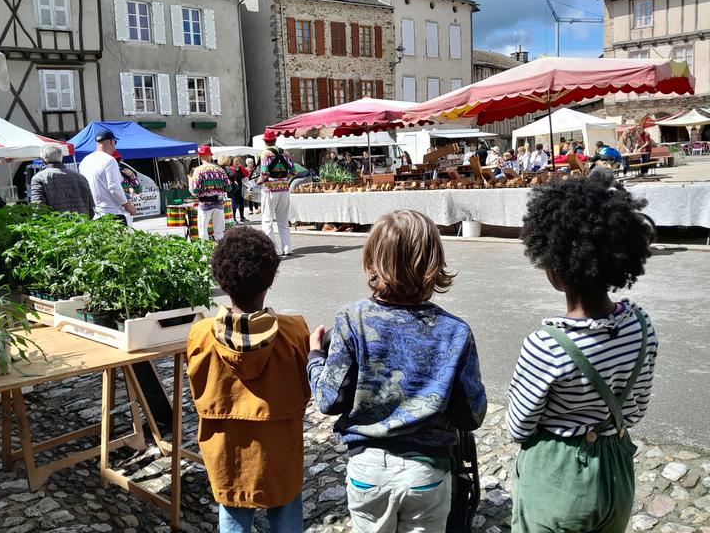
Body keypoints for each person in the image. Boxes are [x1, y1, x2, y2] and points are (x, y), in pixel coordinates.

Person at [307, 210, 487, 533]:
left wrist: (314, 357)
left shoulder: (351, 320)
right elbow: (471, 415)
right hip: (427, 474)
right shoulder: (455, 331)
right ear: (432, 263)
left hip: (368, 473)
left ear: (372, 261)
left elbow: (328, 400)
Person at [507, 171, 657, 532]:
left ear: (553, 271)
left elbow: (519, 425)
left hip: (558, 476)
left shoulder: (546, 345)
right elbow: (635, 410)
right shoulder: (641, 325)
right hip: (616, 473)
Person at [187, 227, 309, 533]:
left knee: (233, 516)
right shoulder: (294, 332)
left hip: (228, 454)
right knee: (288, 513)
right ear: (269, 280)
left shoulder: (200, 335)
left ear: (221, 279)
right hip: (281, 452)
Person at [79, 130, 136, 223]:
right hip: (113, 214)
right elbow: (114, 188)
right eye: (115, 142)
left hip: (95, 215)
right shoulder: (109, 160)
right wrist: (129, 206)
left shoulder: (84, 161)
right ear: (111, 141)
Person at [258, 130, 296, 257]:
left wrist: (259, 181)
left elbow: (264, 173)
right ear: (275, 140)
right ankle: (287, 248)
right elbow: (293, 171)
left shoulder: (265, 153)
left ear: (265, 142)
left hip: (270, 189)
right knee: (283, 220)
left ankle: (274, 250)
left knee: (267, 220)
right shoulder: (285, 152)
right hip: (284, 189)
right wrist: (284, 180)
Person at [30, 144, 94, 216]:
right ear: (62, 157)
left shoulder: (39, 178)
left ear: (43, 159)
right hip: (82, 224)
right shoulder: (80, 177)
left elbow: (38, 209)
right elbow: (91, 208)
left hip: (56, 225)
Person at [189, 145, 232, 242]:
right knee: (219, 232)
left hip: (205, 205)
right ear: (210, 156)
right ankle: (221, 254)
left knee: (203, 231)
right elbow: (229, 187)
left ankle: (205, 255)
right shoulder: (219, 169)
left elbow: (195, 190)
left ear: (200, 157)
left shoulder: (198, 170)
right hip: (219, 204)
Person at [230, 156, 250, 223]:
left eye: (238, 161)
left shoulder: (240, 168)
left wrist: (240, 167)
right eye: (235, 161)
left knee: (241, 203)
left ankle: (242, 217)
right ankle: (234, 218)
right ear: (232, 163)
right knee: (234, 204)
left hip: (241, 188)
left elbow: (247, 173)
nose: (237, 162)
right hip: (234, 189)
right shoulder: (230, 169)